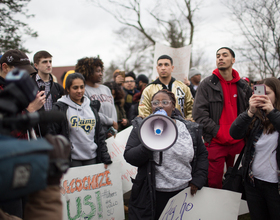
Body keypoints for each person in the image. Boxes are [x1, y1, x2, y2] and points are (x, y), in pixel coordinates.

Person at [124, 89, 208, 220]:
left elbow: (202, 154)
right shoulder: (142, 127)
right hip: (153, 194)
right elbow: (129, 156)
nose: (160, 105)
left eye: (165, 102)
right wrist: (149, 143)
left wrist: (198, 179)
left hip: (183, 191)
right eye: (155, 102)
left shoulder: (189, 129)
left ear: (173, 106)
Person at [192, 47, 252, 189]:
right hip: (215, 142)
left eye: (225, 55)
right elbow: (199, 114)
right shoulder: (206, 84)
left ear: (233, 60)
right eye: (218, 55)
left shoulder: (243, 86)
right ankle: (214, 211)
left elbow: (252, 112)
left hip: (238, 143)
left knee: (237, 182)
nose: (220, 58)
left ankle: (235, 211)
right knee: (214, 184)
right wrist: (217, 132)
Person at [230, 77, 280, 220]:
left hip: (275, 187)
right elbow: (234, 133)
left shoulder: (275, 115)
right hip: (253, 184)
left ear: (277, 94)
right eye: (258, 93)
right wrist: (249, 112)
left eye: (267, 93)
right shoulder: (257, 118)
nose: (262, 97)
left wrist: (272, 112)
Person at [49, 72, 112, 168]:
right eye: (75, 88)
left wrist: (105, 157)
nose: (79, 91)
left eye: (82, 87)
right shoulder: (60, 108)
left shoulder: (92, 106)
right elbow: (53, 135)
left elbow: (100, 135)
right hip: (71, 160)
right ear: (68, 89)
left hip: (92, 158)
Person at [139, 55, 193, 119]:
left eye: (166, 65)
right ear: (157, 68)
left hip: (181, 126)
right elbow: (144, 113)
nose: (163, 68)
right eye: (160, 65)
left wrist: (186, 124)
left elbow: (191, 109)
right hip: (156, 126)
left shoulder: (183, 87)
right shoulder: (148, 90)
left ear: (172, 68)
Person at [76, 57, 118, 138]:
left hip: (111, 132)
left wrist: (113, 128)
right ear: (88, 72)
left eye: (101, 71)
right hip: (95, 134)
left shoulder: (106, 89)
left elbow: (113, 110)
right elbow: (90, 112)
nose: (101, 74)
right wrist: (110, 122)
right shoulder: (83, 90)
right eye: (98, 71)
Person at [31, 50, 64, 136]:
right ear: (36, 65)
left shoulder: (57, 87)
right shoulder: (29, 85)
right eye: (45, 62)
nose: (49, 64)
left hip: (56, 132)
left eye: (50, 61)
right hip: (37, 133)